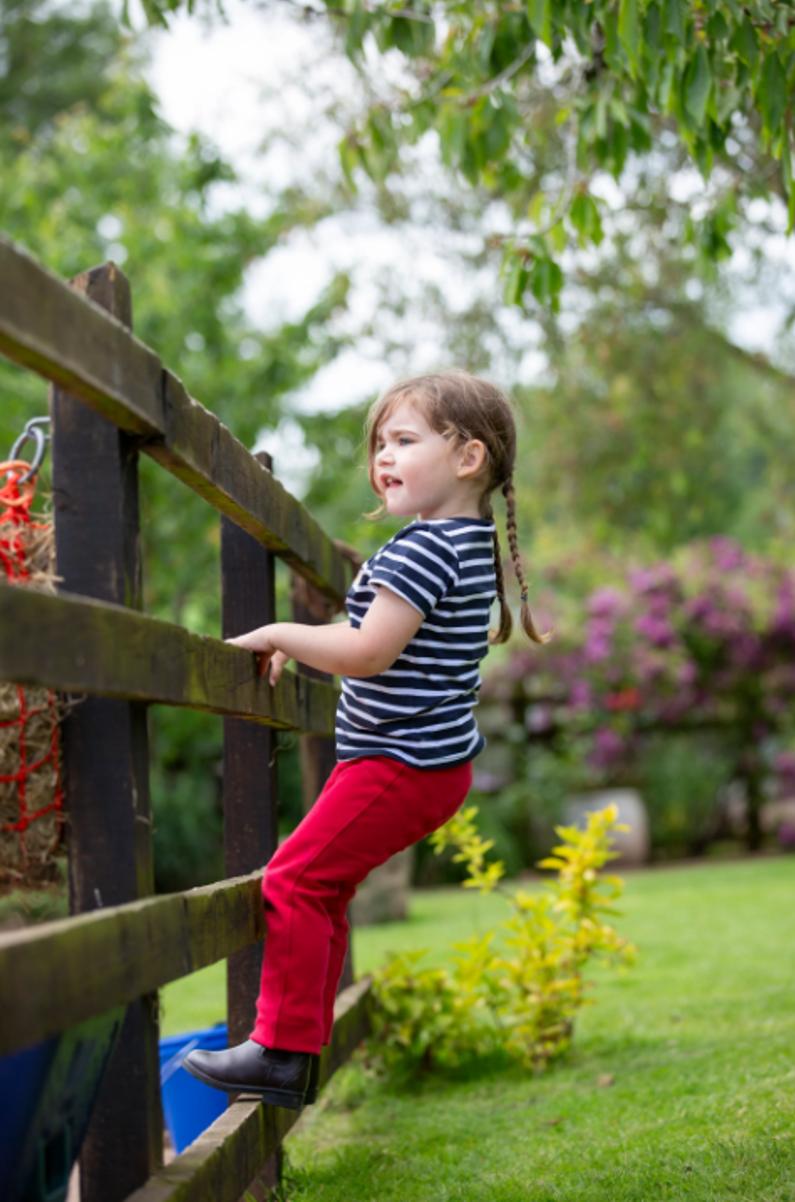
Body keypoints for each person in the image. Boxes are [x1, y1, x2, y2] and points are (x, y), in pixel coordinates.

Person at [184, 371, 547, 1108]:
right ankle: (292, 1049)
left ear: (468, 458)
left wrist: (283, 631)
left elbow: (368, 651)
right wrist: (309, 642)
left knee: (293, 880)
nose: (383, 456)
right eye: (380, 443)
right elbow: (371, 639)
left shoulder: (423, 552)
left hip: (397, 763)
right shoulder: (459, 543)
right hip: (422, 766)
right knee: (324, 887)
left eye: (405, 440)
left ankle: (281, 1054)